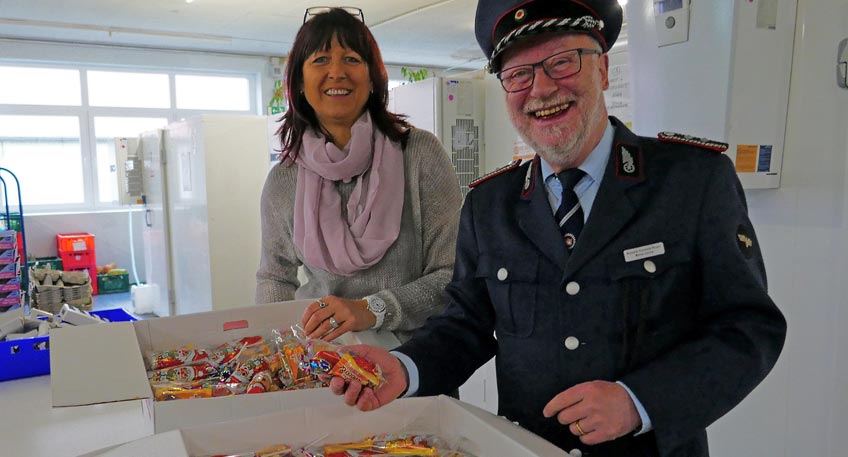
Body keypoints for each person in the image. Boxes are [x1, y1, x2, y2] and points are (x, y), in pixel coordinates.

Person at [325, 0, 787, 456]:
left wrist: (639, 401)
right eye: (518, 75)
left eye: (562, 63)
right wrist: (405, 367)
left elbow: (748, 327)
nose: (541, 89)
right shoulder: (490, 205)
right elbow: (466, 323)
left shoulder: (690, 181)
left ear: (602, 70)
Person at [255, 7, 462, 344]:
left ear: (372, 78)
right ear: (300, 83)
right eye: (320, 60)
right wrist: (281, 353)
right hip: (327, 362)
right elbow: (274, 279)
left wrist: (372, 309)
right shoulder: (284, 178)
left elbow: (453, 274)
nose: (337, 72)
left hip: (416, 363)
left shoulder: (420, 153)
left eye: (351, 59)